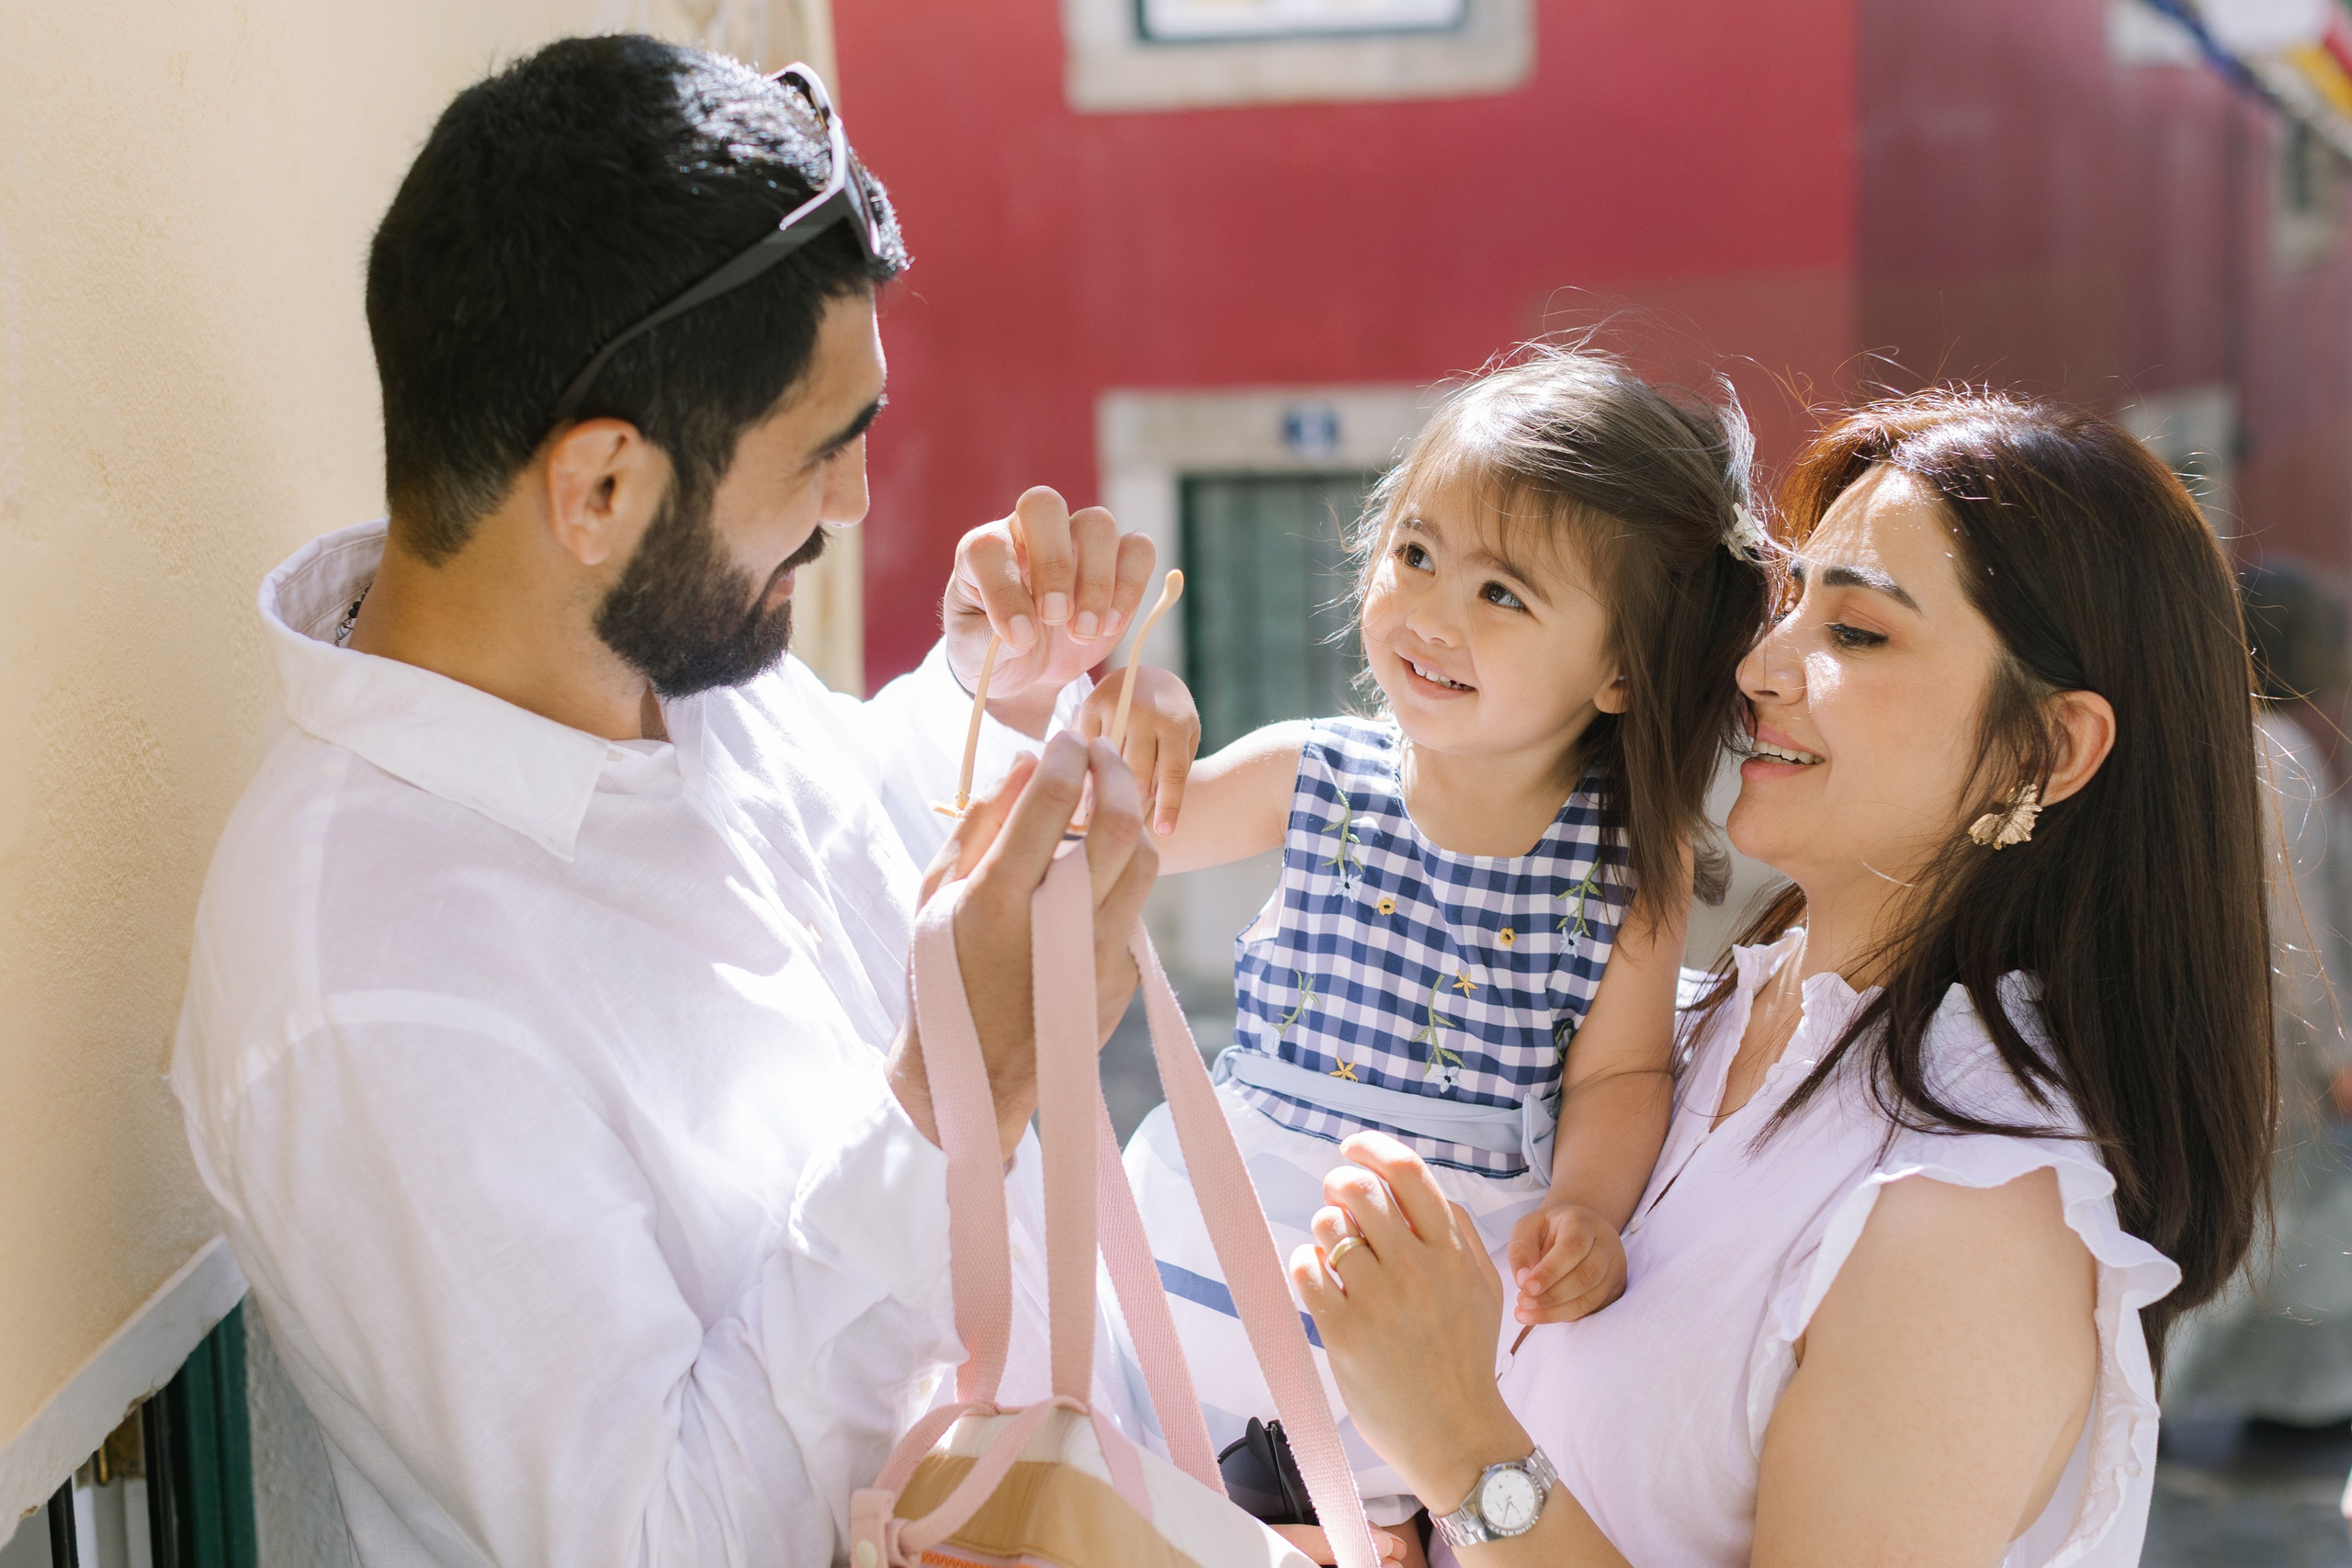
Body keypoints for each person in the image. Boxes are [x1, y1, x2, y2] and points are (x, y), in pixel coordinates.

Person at [170, 37, 1196, 1565]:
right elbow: (666, 1541)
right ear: (596, 490)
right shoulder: (363, 994)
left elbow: (829, 871)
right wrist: (947, 1104)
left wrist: (996, 713)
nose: (856, 506)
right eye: (821, 453)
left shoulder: (664, 651)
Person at [1289, 391, 2275, 1565]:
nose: (1759, 666)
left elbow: (1490, 1457)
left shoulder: (1974, 1212)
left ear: (2045, 749)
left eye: (1855, 633)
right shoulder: (1687, 1029)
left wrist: (1461, 1448)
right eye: (1790, 604)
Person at [1116, 347, 1768, 1527]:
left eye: (1501, 593)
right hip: (1215, 1263)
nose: (1427, 612)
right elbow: (1128, 830)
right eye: (1415, 553)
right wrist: (1130, 716)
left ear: (1621, 668)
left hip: (1445, 1317)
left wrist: (1587, 1211)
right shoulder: (1309, 770)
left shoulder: (1627, 860)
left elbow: (1622, 1071)